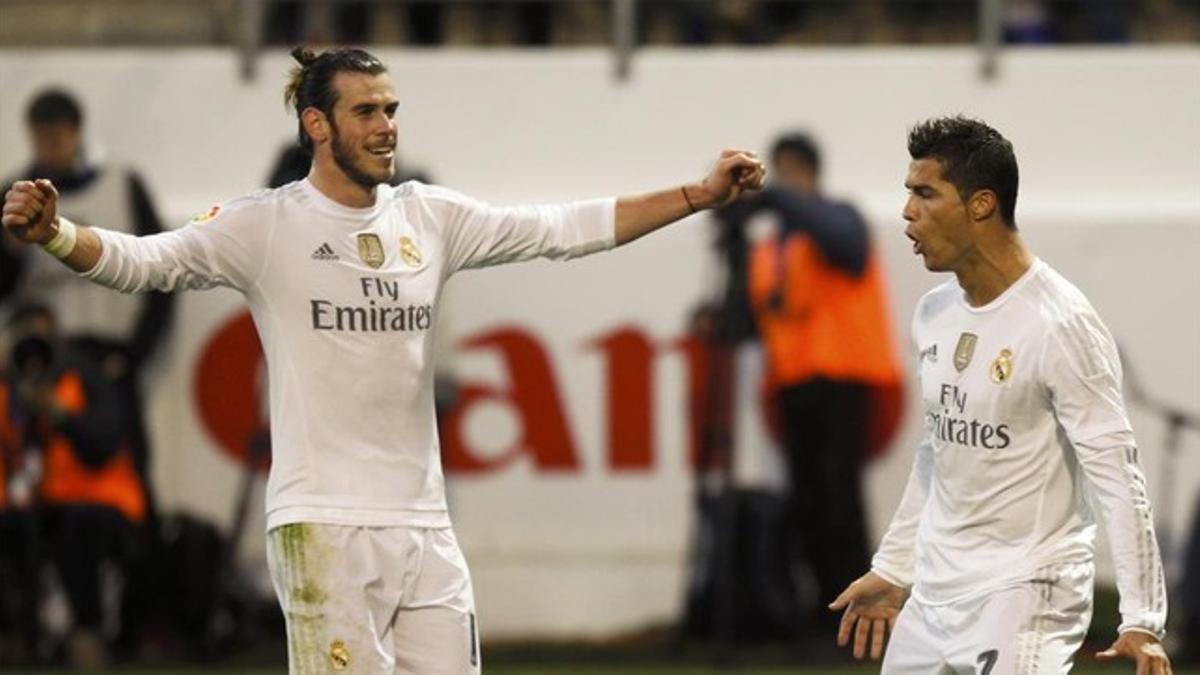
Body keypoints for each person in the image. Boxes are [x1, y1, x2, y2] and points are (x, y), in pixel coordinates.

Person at [2, 47, 766, 674]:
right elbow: (145, 262)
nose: (386, 126)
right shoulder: (266, 225)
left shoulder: (429, 216)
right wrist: (58, 234)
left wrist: (697, 194)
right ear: (317, 124)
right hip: (322, 525)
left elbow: (560, 228)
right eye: (366, 110)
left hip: (425, 527)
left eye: (392, 109)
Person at [828, 116, 1172, 673]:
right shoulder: (934, 313)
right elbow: (938, 450)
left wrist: (1141, 618)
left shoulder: (1060, 325)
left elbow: (1118, 475)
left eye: (924, 193)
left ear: (981, 205)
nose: (906, 212)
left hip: (1026, 590)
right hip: (936, 593)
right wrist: (894, 567)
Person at [715, 132, 904, 637]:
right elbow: (758, 316)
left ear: (808, 173)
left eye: (788, 174)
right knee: (807, 506)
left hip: (844, 379)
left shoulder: (839, 218)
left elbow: (847, 249)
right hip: (794, 387)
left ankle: (859, 618)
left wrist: (776, 197)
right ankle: (823, 614)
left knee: (839, 501)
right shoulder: (773, 248)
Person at [0, 88, 174, 508]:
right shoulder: (17, 196)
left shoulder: (121, 185)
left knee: (127, 460)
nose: (50, 150)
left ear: (77, 133)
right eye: (42, 139)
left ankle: (139, 560)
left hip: (109, 356)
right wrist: (14, 252)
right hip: (48, 360)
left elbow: (162, 274)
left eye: (58, 138)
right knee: (36, 469)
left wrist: (134, 354)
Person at [0, 303, 147, 669]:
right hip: (38, 504)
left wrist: (61, 415)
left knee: (77, 525)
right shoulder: (8, 389)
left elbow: (103, 444)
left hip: (101, 503)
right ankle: (17, 632)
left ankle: (88, 632)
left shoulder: (85, 378)